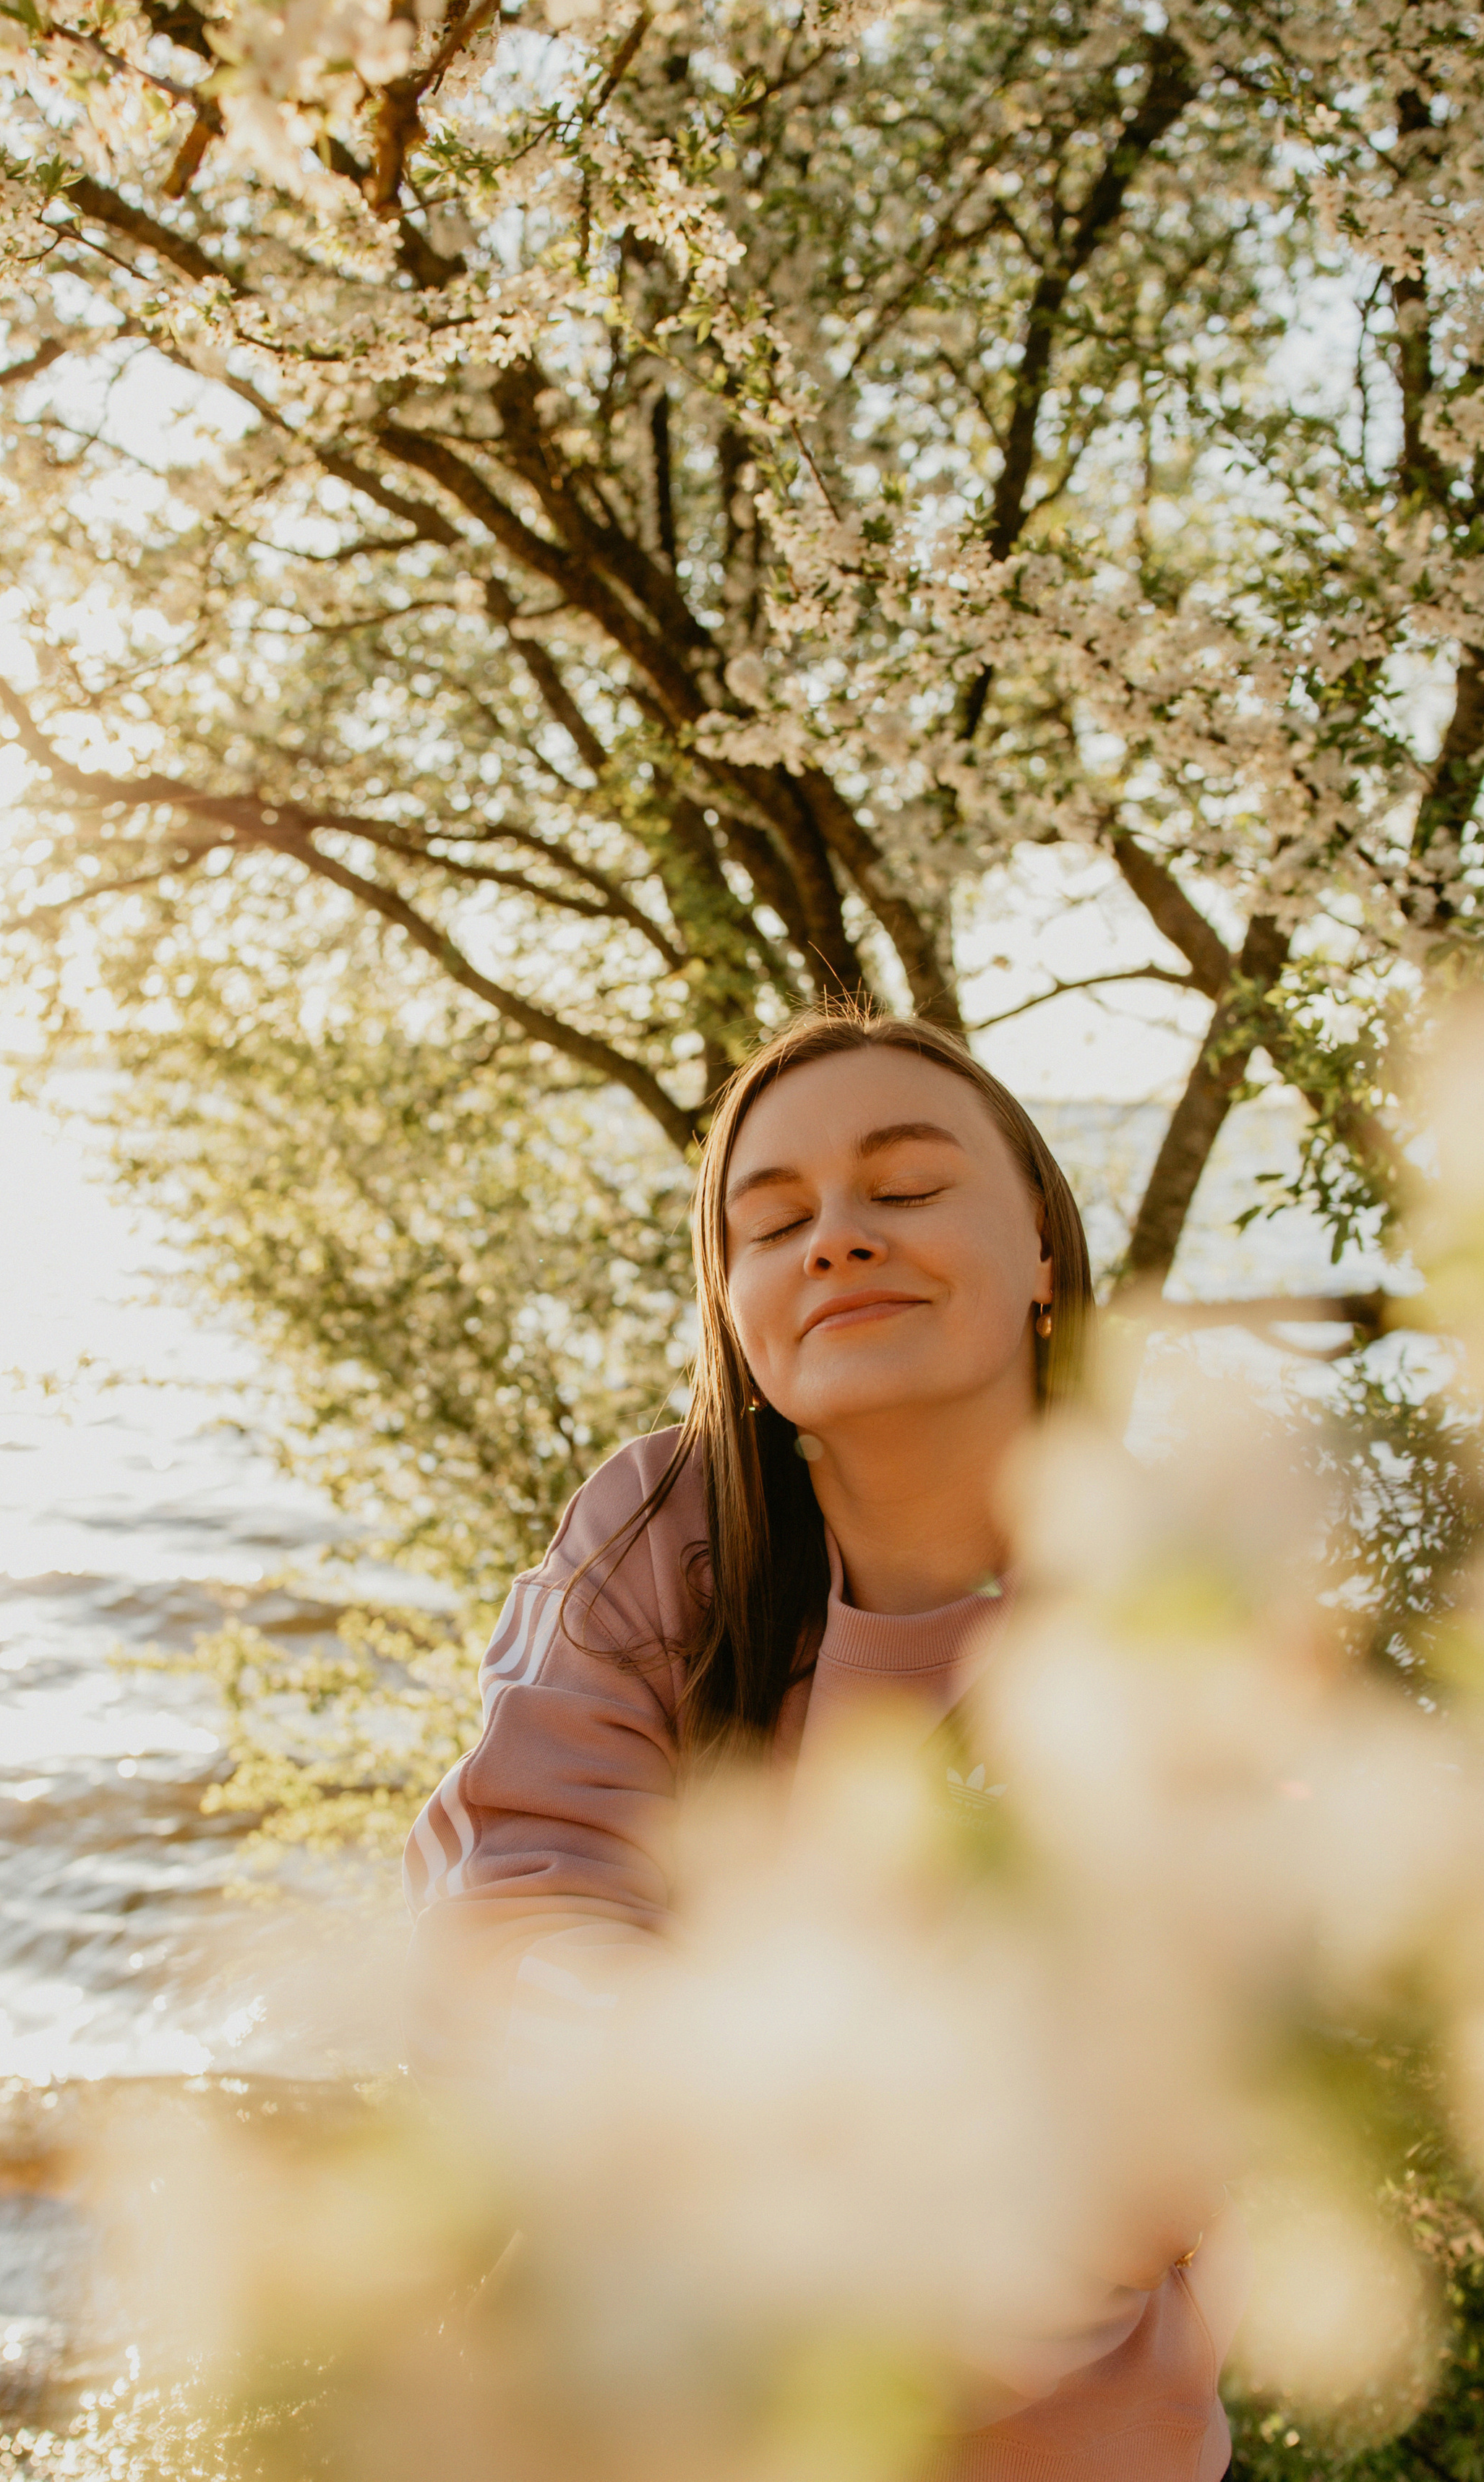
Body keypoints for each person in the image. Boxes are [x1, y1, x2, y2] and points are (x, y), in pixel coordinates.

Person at [404, 1006, 1243, 2480]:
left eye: (905, 1188)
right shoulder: (662, 1534)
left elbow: (1147, 2147)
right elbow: (510, 1910)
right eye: (774, 1221)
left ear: (1043, 1256)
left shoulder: (1177, 1614)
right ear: (731, 1306)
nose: (839, 1240)